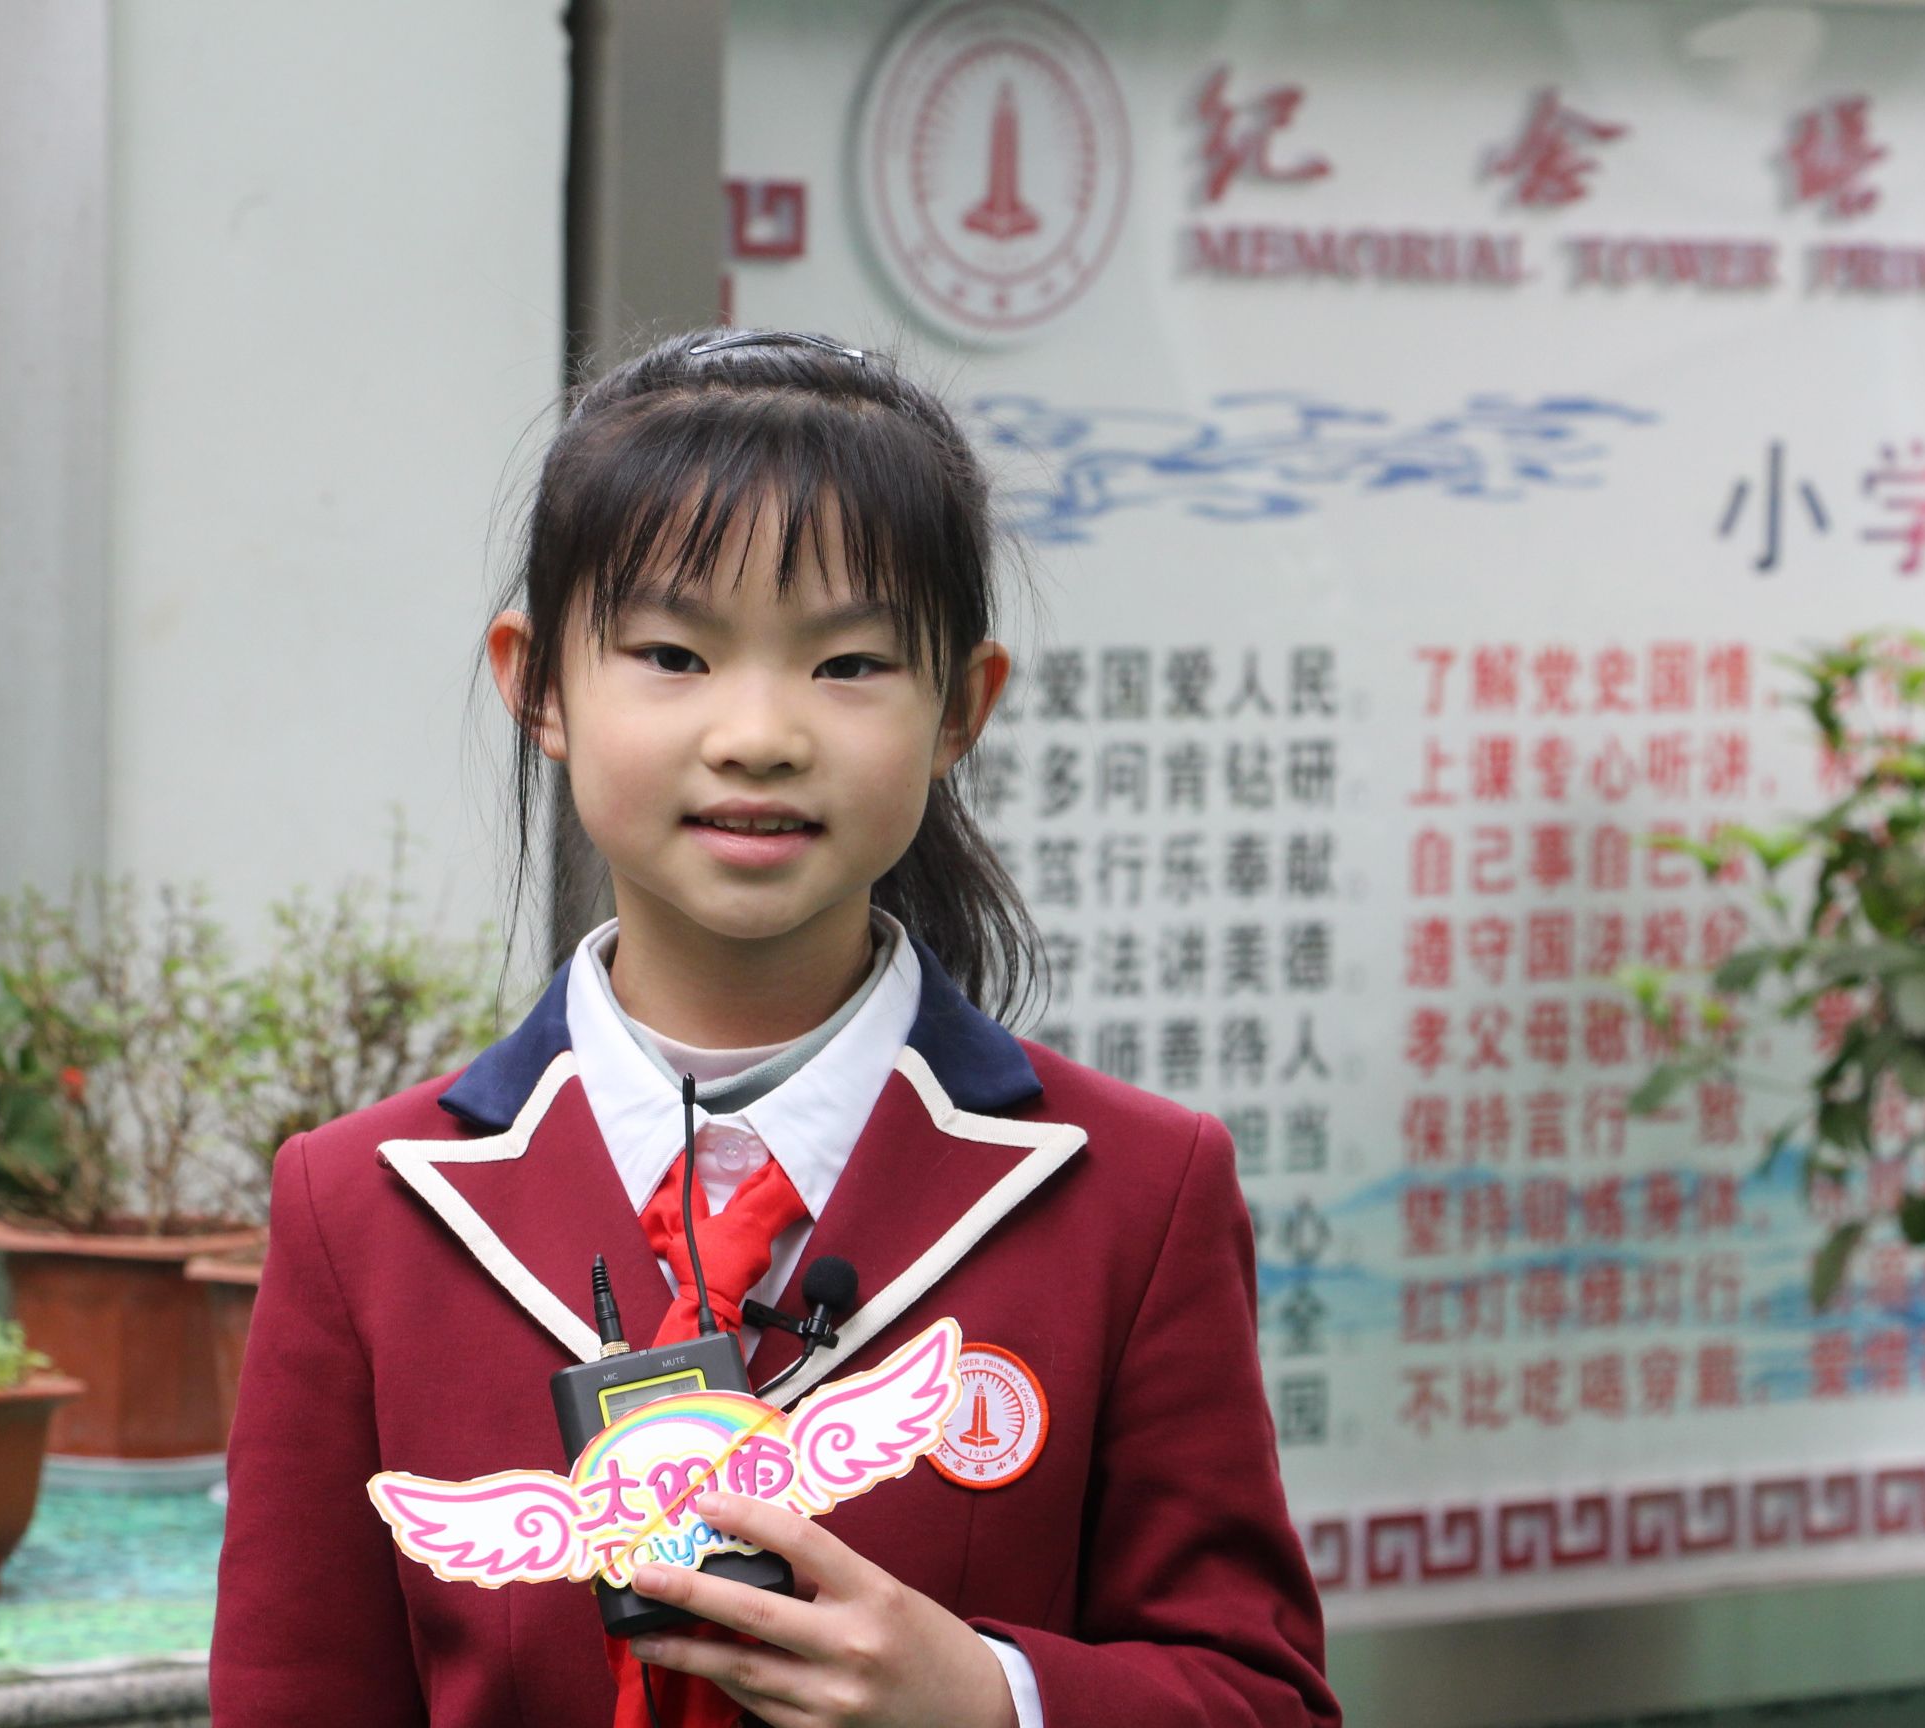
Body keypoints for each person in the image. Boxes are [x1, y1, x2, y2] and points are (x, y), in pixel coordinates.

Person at [210, 329, 1340, 1728]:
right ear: (538, 686)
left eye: (850, 664)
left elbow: (1263, 1699)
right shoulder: (360, 1210)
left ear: (962, 711)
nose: (759, 733)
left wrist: (990, 1699)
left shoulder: (1136, 1193)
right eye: (674, 653)